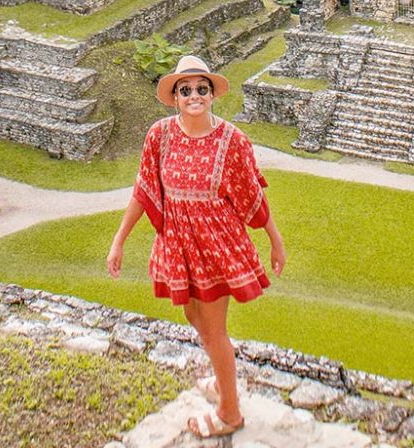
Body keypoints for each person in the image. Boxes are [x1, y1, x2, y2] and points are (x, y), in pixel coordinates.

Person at [107, 54, 286, 439]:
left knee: (214, 330)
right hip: (179, 246)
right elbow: (145, 190)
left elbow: (251, 196)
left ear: (211, 95)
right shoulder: (160, 136)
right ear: (174, 97)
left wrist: (275, 240)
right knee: (195, 319)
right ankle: (225, 382)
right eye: (185, 90)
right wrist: (118, 241)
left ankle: (229, 411)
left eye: (201, 89)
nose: (194, 95)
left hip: (216, 248)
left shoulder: (232, 141)